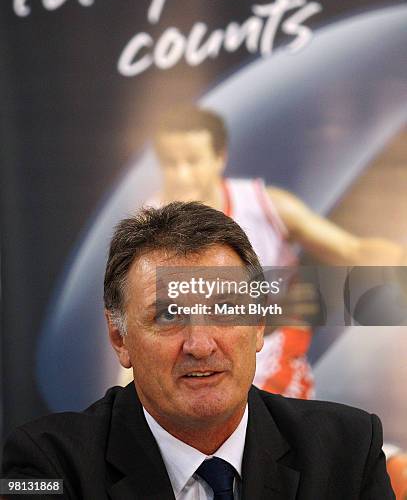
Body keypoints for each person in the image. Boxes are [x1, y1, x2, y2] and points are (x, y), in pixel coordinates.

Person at [2, 203, 395, 498]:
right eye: (169, 315)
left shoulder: (348, 447)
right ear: (120, 339)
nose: (201, 345)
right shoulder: (47, 465)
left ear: (258, 325)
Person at [119, 106, 406, 399]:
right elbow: (136, 330)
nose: (182, 175)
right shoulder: (144, 231)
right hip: (189, 375)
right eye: (170, 163)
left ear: (220, 158)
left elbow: (353, 250)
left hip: (272, 369)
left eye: (193, 161)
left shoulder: (266, 206)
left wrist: (398, 260)